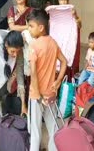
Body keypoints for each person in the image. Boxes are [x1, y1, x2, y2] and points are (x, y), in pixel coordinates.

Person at [27, 9, 67, 151]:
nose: (29, 29)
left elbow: (33, 72)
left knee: (35, 131)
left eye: (31, 26)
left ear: (41, 27)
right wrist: (58, 81)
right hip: (50, 94)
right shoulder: (53, 43)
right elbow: (64, 62)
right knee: (53, 129)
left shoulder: (34, 45)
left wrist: (37, 94)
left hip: (36, 96)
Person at [0, 30, 27, 119]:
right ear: (6, 46)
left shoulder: (18, 50)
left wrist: (23, 104)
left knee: (2, 95)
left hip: (2, 80)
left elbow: (20, 75)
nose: (15, 55)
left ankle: (0, 120)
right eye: (12, 51)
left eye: (17, 52)